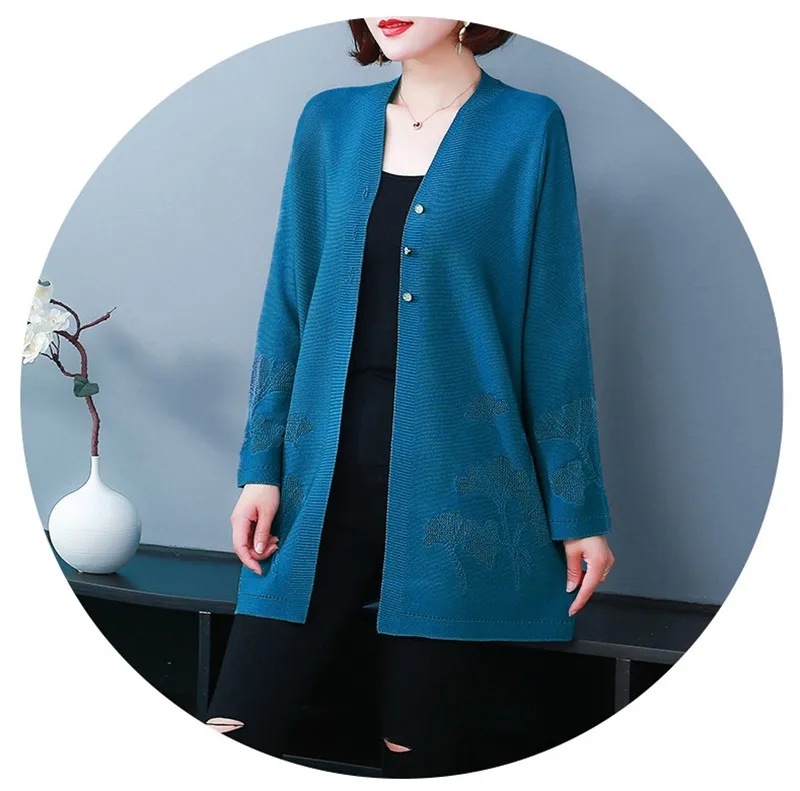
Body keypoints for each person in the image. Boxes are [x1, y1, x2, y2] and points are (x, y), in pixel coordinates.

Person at [205, 17, 616, 778]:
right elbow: (288, 301)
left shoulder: (528, 128)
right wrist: (259, 468)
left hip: (459, 496)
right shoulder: (329, 122)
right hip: (317, 486)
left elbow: (554, 329)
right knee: (233, 728)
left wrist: (578, 509)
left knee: (416, 755)